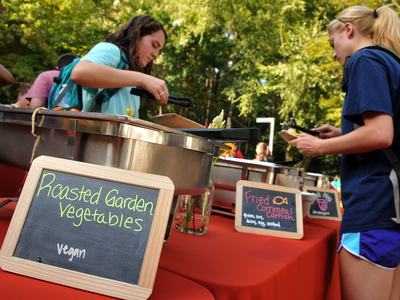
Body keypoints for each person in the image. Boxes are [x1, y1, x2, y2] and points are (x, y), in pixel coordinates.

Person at [289, 5, 400, 300]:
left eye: (332, 43)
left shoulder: (364, 60)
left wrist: (319, 146)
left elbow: (380, 133)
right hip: (391, 212)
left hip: (372, 207)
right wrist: (344, 135)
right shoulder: (391, 63)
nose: (334, 54)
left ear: (348, 29)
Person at [71, 15, 168, 118]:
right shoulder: (112, 50)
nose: (156, 55)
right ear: (137, 35)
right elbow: (79, 72)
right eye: (154, 45)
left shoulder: (129, 77)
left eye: (159, 50)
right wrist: (143, 79)